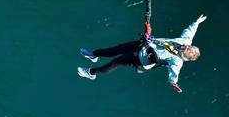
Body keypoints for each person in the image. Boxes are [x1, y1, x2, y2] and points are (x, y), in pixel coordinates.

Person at [77, 14, 207, 93]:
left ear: (187, 56)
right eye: (189, 46)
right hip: (143, 44)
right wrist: (196, 23)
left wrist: (173, 83)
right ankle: (94, 54)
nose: (187, 46)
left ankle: (91, 73)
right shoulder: (184, 41)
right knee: (115, 49)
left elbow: (174, 72)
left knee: (117, 61)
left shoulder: (177, 61)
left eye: (188, 50)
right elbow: (189, 32)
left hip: (142, 58)